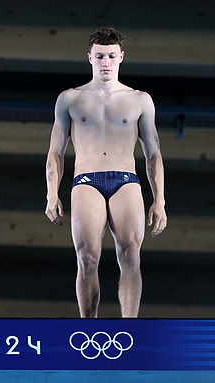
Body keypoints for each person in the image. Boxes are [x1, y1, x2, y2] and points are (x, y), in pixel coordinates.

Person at [45, 27, 167, 318]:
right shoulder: (69, 99)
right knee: (87, 258)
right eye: (99, 56)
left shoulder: (140, 100)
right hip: (86, 181)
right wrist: (51, 194)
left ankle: (129, 330)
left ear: (121, 57)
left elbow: (153, 154)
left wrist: (159, 199)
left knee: (130, 254)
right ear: (90, 57)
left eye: (111, 56)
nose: (105, 62)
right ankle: (89, 332)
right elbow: (55, 152)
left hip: (126, 180)